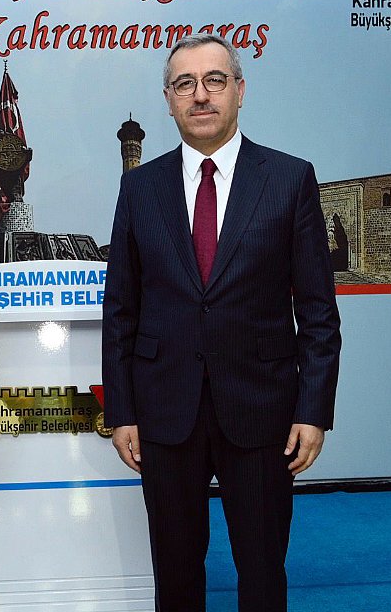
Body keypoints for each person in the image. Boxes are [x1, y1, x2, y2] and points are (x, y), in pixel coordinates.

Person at [102, 34, 341, 611]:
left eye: (214, 80)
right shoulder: (139, 188)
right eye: (185, 84)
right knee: (175, 571)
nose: (200, 95)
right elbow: (121, 310)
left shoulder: (289, 179)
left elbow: (317, 311)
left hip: (263, 410)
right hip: (164, 413)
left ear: (239, 90)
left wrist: (313, 411)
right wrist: (122, 411)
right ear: (168, 100)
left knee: (262, 568)